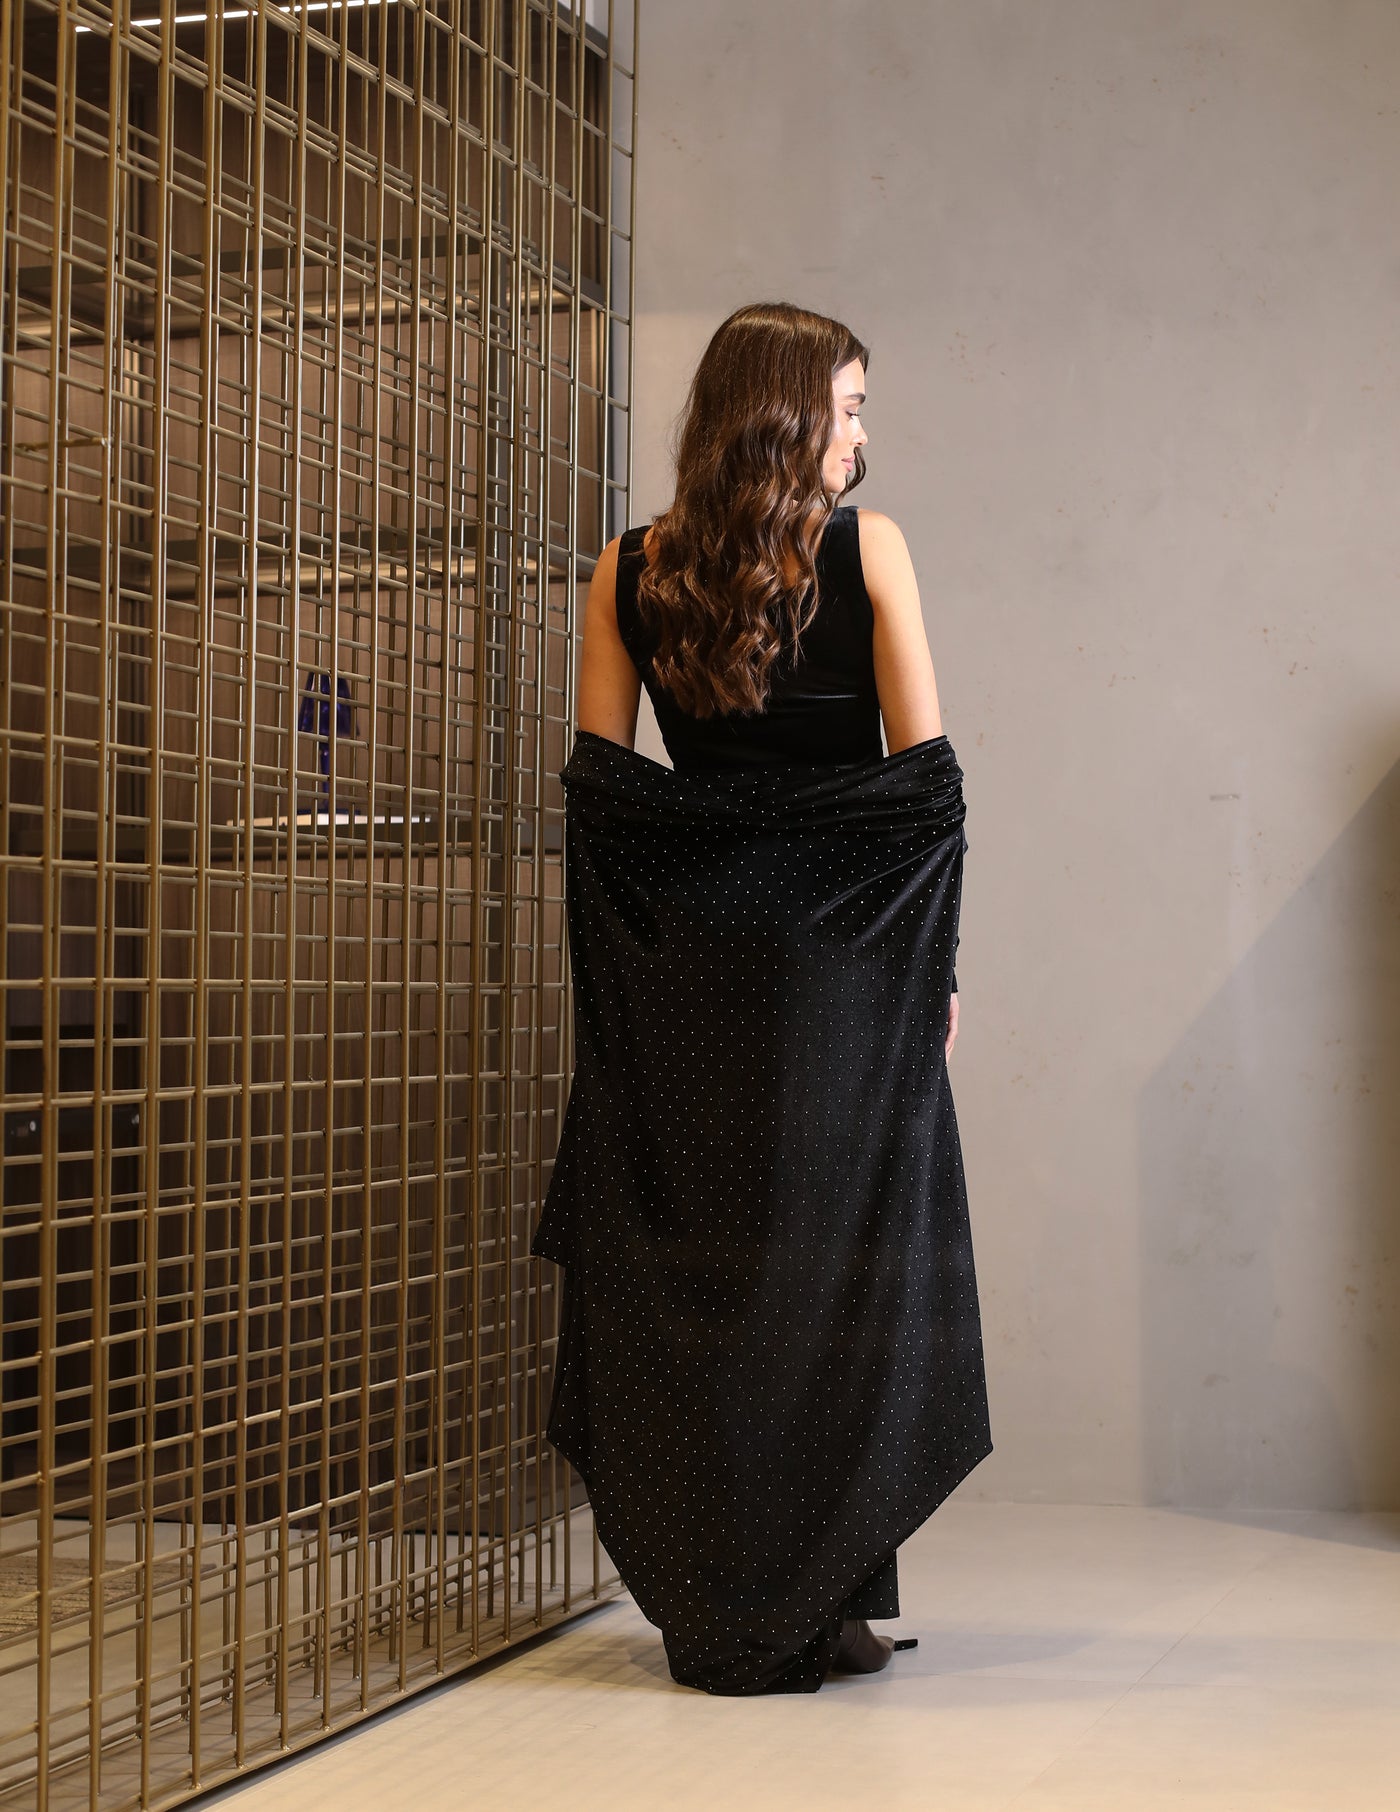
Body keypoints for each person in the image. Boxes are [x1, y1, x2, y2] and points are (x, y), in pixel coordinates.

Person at [532, 301, 992, 1694]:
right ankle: (825, 1598)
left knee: (707, 1277)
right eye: (848, 409)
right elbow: (924, 790)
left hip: (688, 972)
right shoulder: (872, 550)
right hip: (843, 970)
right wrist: (932, 967)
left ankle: (722, 1600)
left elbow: (605, 797)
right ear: (787, 417)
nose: (861, 438)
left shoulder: (626, 570)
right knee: (838, 1270)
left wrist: (626, 986)